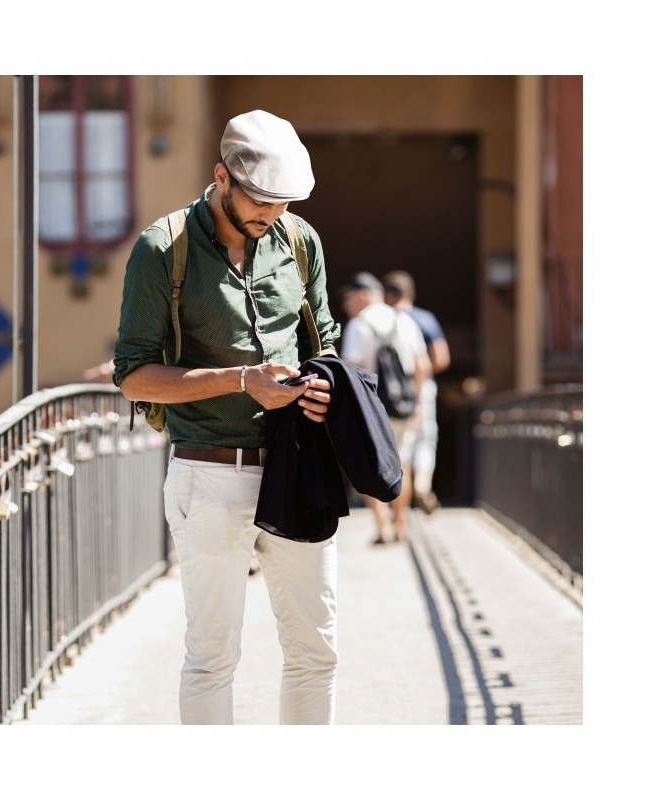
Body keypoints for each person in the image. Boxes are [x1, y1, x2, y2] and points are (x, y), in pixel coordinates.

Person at [112, 110, 341, 725]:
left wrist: (324, 387)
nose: (273, 213)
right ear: (221, 178)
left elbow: (325, 343)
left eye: (284, 201)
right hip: (210, 474)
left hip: (297, 470)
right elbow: (133, 374)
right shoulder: (163, 249)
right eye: (261, 199)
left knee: (316, 652)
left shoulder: (300, 241)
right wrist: (242, 380)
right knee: (213, 658)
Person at [339, 271, 429, 544]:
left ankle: (383, 527)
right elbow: (422, 365)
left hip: (373, 409)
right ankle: (401, 525)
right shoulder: (405, 321)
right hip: (404, 407)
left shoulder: (359, 325)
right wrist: (418, 403)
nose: (345, 304)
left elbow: (350, 367)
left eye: (349, 297)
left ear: (363, 295)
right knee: (403, 463)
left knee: (371, 466)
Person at [383, 270, 451, 514]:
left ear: (388, 295)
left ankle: (394, 505)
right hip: (422, 388)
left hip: (388, 392)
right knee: (425, 438)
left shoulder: (381, 319)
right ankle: (422, 484)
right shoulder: (424, 319)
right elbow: (441, 358)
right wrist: (418, 378)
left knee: (393, 445)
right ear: (410, 294)